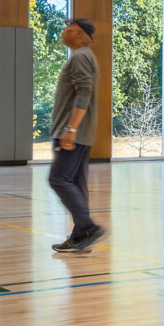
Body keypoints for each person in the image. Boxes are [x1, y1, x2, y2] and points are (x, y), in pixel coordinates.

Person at [49, 16, 104, 253]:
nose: (64, 31)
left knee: (58, 179)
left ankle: (88, 228)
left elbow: (84, 93)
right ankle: (82, 235)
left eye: (68, 27)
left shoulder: (81, 57)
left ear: (82, 33)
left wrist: (70, 129)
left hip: (74, 133)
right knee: (76, 184)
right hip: (80, 133)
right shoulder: (83, 57)